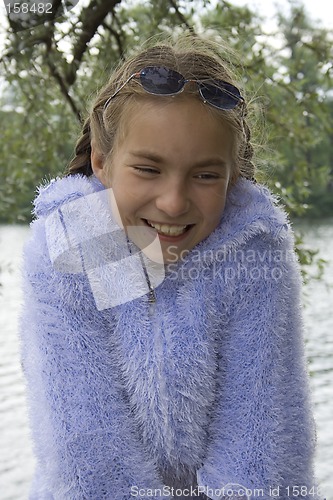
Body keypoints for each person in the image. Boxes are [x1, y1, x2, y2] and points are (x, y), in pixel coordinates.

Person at [20, 34, 323, 500]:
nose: (173, 202)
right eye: (148, 169)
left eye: (205, 175)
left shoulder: (253, 250)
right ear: (102, 162)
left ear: (232, 176)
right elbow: (85, 449)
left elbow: (265, 436)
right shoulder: (73, 248)